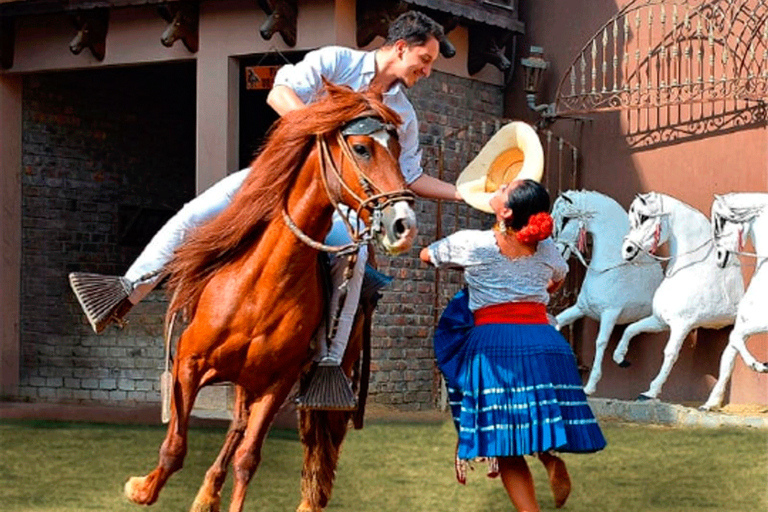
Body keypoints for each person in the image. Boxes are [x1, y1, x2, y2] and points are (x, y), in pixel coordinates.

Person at [69, 11, 460, 408]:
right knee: (194, 213)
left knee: (355, 256)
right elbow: (278, 94)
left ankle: (326, 362)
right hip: (275, 177)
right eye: (424, 60)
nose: (426, 71)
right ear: (399, 48)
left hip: (337, 207)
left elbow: (410, 177)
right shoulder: (336, 62)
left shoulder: (402, 114)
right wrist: (327, 133)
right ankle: (124, 293)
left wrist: (465, 194)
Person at [420, 179, 606, 512]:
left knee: (505, 442)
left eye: (505, 187)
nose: (501, 184)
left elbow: (425, 256)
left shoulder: (473, 243)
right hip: (544, 341)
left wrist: (469, 267)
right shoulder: (547, 248)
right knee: (533, 416)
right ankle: (549, 461)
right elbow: (559, 276)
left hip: (496, 345)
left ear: (505, 211)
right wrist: (536, 292)